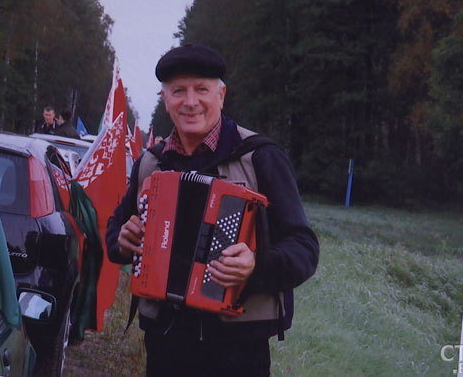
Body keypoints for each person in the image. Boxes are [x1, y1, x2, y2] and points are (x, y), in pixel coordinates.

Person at [106, 44, 319, 377]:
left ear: (221, 95)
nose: (190, 102)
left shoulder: (260, 156)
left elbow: (304, 248)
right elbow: (115, 231)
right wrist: (123, 239)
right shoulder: (150, 162)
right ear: (165, 99)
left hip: (238, 350)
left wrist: (256, 265)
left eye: (201, 89)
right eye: (179, 91)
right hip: (166, 343)